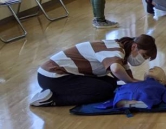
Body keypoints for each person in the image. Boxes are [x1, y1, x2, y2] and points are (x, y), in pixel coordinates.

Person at [30, 35, 158, 107]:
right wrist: (130, 81)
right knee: (103, 91)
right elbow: (116, 69)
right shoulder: (116, 51)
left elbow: (129, 79)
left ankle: (52, 92)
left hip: (61, 74)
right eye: (144, 55)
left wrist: (155, 84)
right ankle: (53, 99)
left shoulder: (123, 52)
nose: (142, 60)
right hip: (53, 76)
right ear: (134, 47)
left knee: (111, 84)